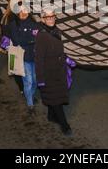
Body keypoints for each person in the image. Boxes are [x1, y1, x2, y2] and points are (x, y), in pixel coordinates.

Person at [35, 8, 73, 136]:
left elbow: (60, 50)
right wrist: (40, 78)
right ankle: (64, 125)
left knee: (54, 97)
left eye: (52, 17)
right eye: (47, 17)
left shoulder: (57, 31)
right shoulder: (41, 36)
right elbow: (39, 59)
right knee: (56, 99)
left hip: (59, 70)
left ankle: (51, 116)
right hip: (48, 73)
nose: (50, 19)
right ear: (42, 19)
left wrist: (66, 59)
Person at [8, 6, 40, 114]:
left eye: (25, 10)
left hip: (35, 56)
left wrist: (28, 39)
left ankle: (30, 95)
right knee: (28, 82)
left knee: (35, 80)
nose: (23, 13)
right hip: (23, 57)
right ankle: (30, 104)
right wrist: (31, 39)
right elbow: (17, 41)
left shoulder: (34, 23)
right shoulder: (13, 24)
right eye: (21, 11)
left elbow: (38, 38)